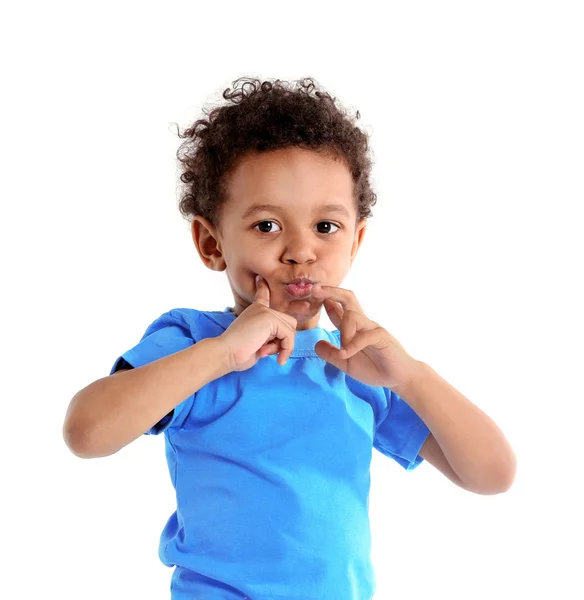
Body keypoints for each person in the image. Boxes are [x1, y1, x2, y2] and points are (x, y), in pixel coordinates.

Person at [62, 76, 516, 600]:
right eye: (266, 226)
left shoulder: (359, 364)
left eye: (326, 227)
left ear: (357, 240)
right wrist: (222, 353)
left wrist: (410, 376)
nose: (301, 251)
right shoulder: (192, 342)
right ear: (212, 244)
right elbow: (86, 432)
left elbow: (493, 475)